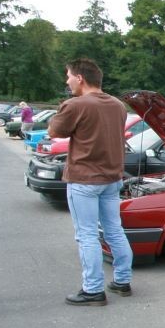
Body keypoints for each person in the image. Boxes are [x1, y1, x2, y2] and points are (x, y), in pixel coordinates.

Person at [48, 58, 132, 306]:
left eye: (68, 76)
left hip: (84, 179)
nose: (67, 81)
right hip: (112, 178)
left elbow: (54, 132)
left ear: (80, 78)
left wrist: (62, 108)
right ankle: (122, 281)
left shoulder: (75, 105)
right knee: (114, 230)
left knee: (87, 235)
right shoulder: (118, 105)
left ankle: (93, 289)